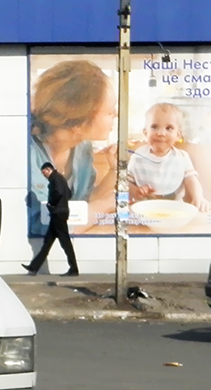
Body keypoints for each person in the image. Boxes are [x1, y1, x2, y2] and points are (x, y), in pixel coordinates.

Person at [28, 59, 117, 235]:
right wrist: (104, 206)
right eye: (110, 111)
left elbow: (83, 206)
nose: (116, 115)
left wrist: (115, 171)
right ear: (79, 121)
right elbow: (43, 226)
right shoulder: (27, 154)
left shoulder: (82, 147)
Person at [127, 102, 211, 211]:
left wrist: (198, 198)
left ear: (178, 135)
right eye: (154, 127)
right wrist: (135, 191)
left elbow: (191, 180)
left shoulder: (182, 157)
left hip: (175, 211)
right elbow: (126, 182)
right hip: (144, 212)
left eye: (169, 128)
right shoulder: (138, 157)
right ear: (145, 132)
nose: (161, 133)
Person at [23, 162, 79, 276]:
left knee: (65, 242)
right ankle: (34, 267)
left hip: (58, 213)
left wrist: (51, 203)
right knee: (47, 242)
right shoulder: (61, 179)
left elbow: (58, 193)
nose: (44, 176)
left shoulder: (55, 179)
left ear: (49, 170)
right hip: (59, 213)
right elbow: (68, 194)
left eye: (44, 173)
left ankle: (74, 268)